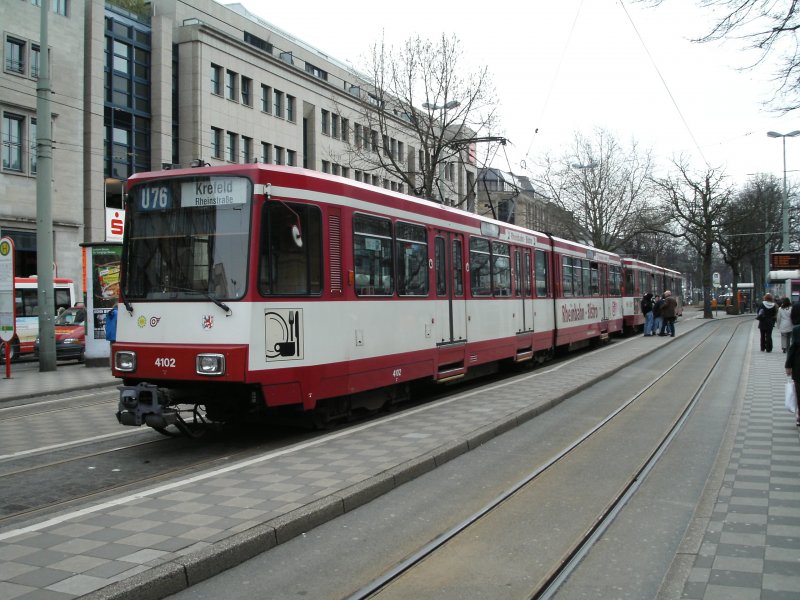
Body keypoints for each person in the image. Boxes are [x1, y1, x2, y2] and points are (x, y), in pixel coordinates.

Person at [784, 302, 800, 426]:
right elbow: (793, 349)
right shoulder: (796, 330)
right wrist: (788, 365)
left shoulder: (797, 330)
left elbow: (792, 348)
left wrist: (788, 366)